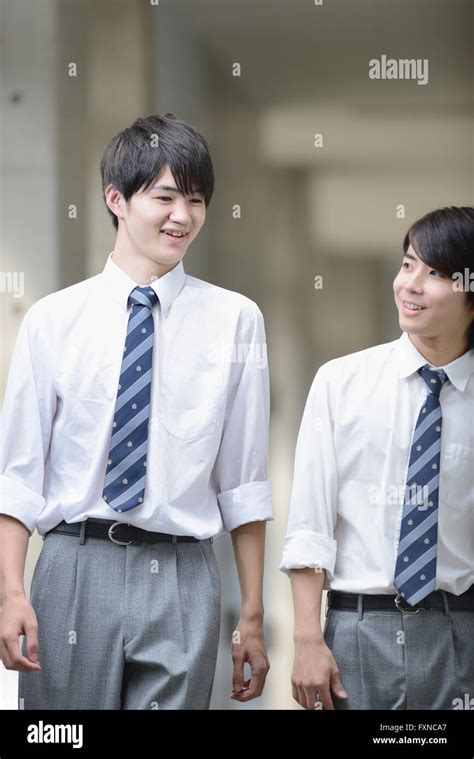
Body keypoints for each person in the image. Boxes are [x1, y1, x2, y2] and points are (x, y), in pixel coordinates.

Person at [0, 113, 273, 710]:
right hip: (73, 568)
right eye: (165, 197)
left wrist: (252, 613)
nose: (183, 216)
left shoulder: (236, 321)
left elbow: (244, 482)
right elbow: (17, 475)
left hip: (182, 575)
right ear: (116, 200)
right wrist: (9, 591)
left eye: (197, 201)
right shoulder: (53, 320)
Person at [280, 206, 474, 710]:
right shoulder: (341, 383)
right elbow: (310, 524)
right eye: (408, 264)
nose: (411, 284)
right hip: (359, 632)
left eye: (435, 274)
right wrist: (307, 640)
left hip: (462, 631)